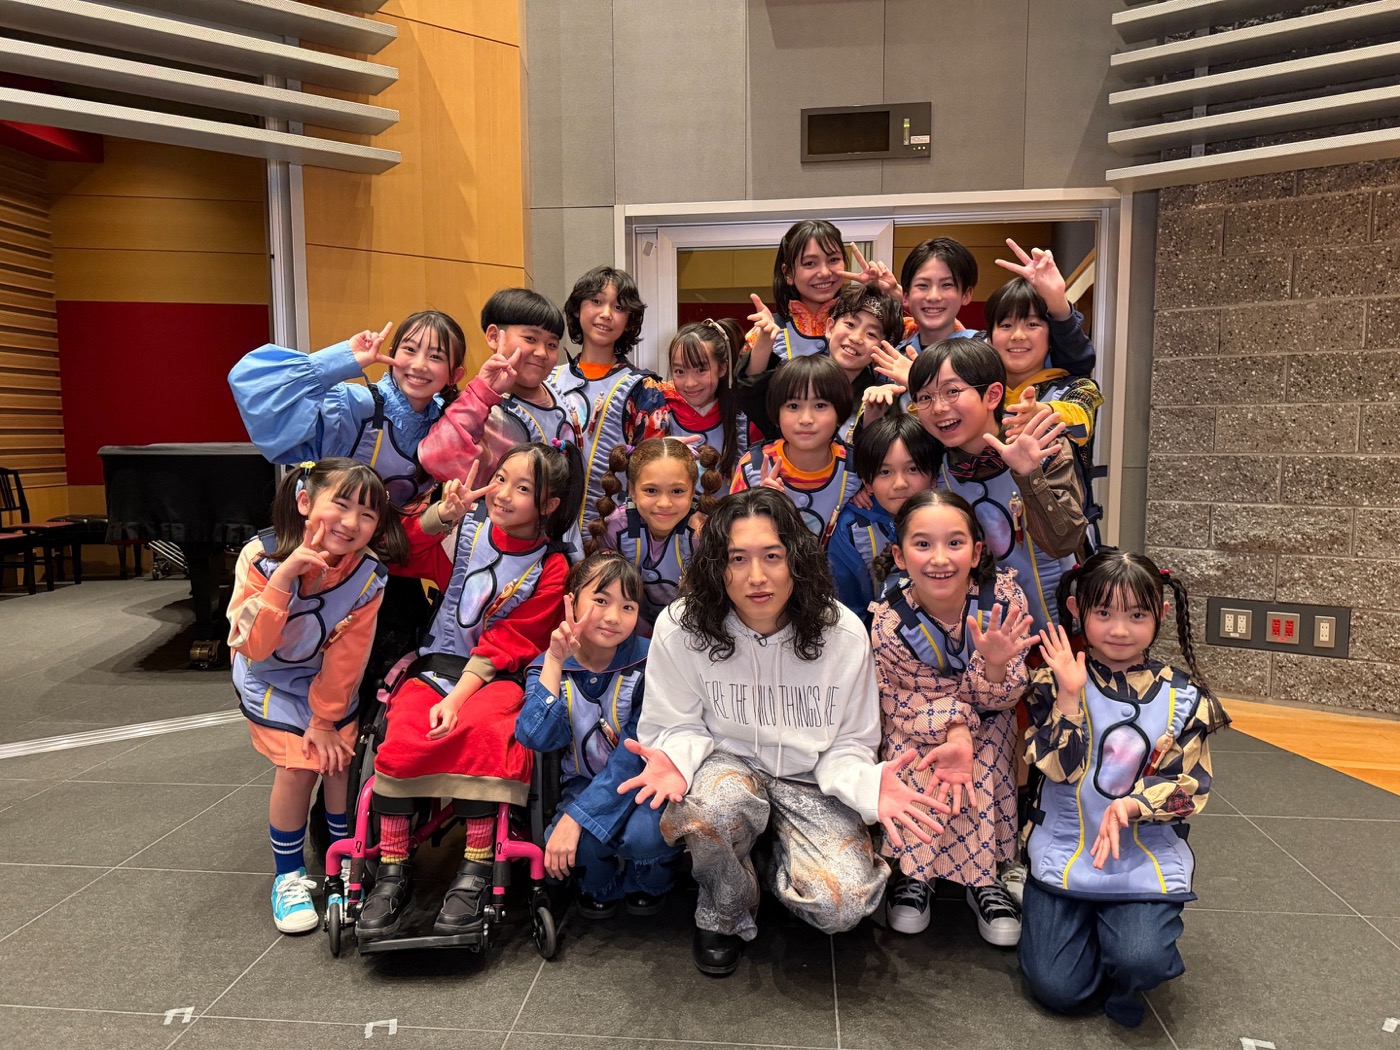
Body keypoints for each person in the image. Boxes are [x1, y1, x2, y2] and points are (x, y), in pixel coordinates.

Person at [619, 488, 953, 976]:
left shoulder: (841, 633)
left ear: (796, 559)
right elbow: (677, 721)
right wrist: (674, 757)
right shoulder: (682, 626)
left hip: (811, 778)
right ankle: (725, 908)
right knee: (709, 810)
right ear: (716, 566)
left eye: (772, 556)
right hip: (728, 766)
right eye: (738, 559)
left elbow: (850, 742)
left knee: (842, 907)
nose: (757, 577)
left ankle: (773, 854)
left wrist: (867, 784)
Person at [356, 441, 584, 940]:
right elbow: (396, 555)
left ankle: (476, 868)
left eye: (522, 488)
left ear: (548, 505)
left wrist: (457, 698)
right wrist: (441, 515)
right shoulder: (464, 532)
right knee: (403, 730)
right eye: (500, 479)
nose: (502, 494)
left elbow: (512, 641)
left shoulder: (554, 566)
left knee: (488, 733)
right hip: (436, 666)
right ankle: (391, 870)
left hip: (498, 677)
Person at [1020, 550, 1229, 1028]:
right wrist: (1069, 695)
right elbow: (1058, 769)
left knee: (1141, 960)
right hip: (1064, 852)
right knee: (1058, 990)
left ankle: (1126, 956)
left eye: (1137, 615)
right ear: (1077, 611)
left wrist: (1133, 806)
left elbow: (1190, 789)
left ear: (1162, 613)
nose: (1119, 629)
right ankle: (1097, 935)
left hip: (1141, 859)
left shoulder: (1184, 697)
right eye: (1104, 613)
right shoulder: (1052, 681)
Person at [228, 458, 405, 932]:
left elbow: (349, 656)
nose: (351, 522)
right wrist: (283, 579)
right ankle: (287, 876)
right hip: (268, 677)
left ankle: (343, 863)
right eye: (340, 505)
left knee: (339, 760)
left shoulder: (368, 575)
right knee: (300, 766)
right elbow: (254, 645)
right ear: (305, 502)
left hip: (324, 680)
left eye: (367, 514)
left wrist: (325, 719)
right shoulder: (261, 557)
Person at [869, 490, 1034, 945]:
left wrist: (996, 665)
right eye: (923, 544)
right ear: (900, 556)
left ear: (976, 552)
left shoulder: (1003, 599)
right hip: (919, 719)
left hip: (990, 714)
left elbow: (1006, 693)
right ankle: (914, 872)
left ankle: (985, 877)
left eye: (955, 543)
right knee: (917, 759)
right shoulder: (888, 620)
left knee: (983, 757)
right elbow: (902, 695)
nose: (940, 559)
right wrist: (956, 729)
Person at [515, 551, 679, 918]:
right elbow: (536, 736)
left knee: (647, 838)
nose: (613, 617)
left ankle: (648, 882)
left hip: (643, 781)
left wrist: (575, 817)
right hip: (582, 783)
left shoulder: (650, 661)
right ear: (571, 601)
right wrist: (555, 661)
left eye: (628, 606)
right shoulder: (548, 665)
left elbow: (633, 754)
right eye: (601, 600)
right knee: (582, 848)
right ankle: (600, 887)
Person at [909, 338, 1087, 634]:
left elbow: (1064, 542)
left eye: (952, 391)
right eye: (925, 397)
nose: (938, 408)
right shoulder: (933, 467)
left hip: (1062, 627)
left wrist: (1029, 476)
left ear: (992, 395)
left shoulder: (1043, 447)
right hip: (984, 634)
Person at [229, 311, 466, 505]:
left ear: (455, 375)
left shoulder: (448, 423)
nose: (419, 365)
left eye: (436, 357)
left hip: (395, 547)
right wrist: (342, 359)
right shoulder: (351, 405)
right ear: (391, 354)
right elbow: (253, 387)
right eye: (410, 350)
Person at [549, 266, 670, 538]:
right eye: (596, 301)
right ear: (577, 308)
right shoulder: (548, 380)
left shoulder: (644, 389)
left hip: (614, 534)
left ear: (629, 321)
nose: (606, 314)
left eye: (618, 307)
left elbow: (652, 472)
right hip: (545, 531)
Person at [589, 437, 723, 635]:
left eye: (677, 491)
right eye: (651, 490)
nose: (664, 503)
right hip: (629, 633)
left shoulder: (701, 534)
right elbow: (604, 598)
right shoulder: (616, 528)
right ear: (632, 490)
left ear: (693, 490)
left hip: (693, 632)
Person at [739, 285, 905, 445]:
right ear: (830, 328)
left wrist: (873, 415)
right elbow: (751, 394)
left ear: (883, 348)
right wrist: (765, 341)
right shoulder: (797, 379)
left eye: (871, 334)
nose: (856, 338)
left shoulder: (882, 397)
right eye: (850, 325)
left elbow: (881, 459)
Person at [729, 354, 862, 548]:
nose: (806, 419)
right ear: (776, 414)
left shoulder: (855, 470)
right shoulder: (754, 467)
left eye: (820, 405)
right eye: (793, 406)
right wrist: (758, 507)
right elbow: (731, 540)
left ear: (840, 414)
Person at [828, 412, 939, 621]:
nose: (900, 484)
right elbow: (849, 610)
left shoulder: (952, 517)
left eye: (913, 469)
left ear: (934, 476)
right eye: (885, 472)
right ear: (867, 482)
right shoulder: (852, 529)